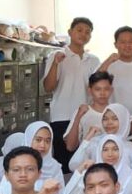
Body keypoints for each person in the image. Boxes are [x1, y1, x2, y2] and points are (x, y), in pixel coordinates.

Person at [42, 17, 101, 168]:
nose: (83, 34)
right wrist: (56, 64)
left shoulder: (94, 60)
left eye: (87, 32)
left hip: (86, 118)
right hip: (62, 116)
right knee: (64, 163)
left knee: (86, 162)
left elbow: (98, 87)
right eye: (79, 30)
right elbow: (48, 87)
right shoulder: (57, 55)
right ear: (70, 32)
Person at [0, 121, 66, 194]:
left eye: (47, 141)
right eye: (38, 140)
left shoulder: (54, 167)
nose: (43, 145)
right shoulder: (15, 164)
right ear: (29, 139)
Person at [63, 70, 113, 154]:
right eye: (98, 89)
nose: (102, 93)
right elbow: (70, 146)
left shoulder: (117, 111)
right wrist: (78, 117)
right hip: (87, 159)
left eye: (106, 89)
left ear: (111, 90)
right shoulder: (82, 112)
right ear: (89, 91)